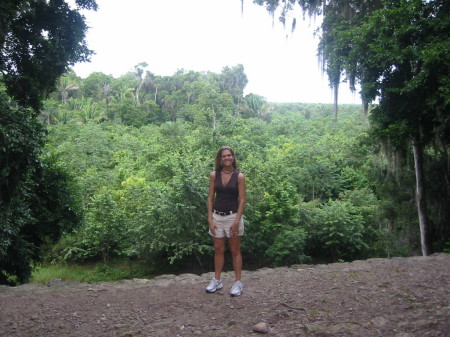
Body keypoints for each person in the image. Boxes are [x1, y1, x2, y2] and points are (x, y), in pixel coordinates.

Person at [205, 146, 246, 296]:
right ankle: (217, 280)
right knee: (218, 249)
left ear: (233, 157)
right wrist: (210, 219)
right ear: (220, 159)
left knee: (235, 250)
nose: (227, 158)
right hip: (217, 216)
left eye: (229, 155)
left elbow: (242, 200)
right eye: (224, 156)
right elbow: (210, 197)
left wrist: (237, 221)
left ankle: (238, 283)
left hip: (232, 216)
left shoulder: (239, 176)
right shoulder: (214, 175)